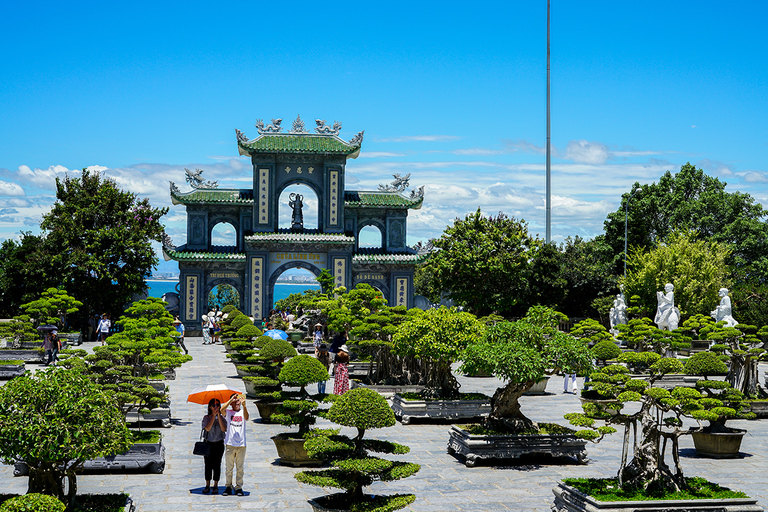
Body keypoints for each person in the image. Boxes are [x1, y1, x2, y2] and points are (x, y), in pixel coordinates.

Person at [221, 393, 249, 496]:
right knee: (229, 467)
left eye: (238, 401)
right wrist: (230, 400)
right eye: (235, 401)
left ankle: (238, 487)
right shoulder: (229, 412)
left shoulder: (242, 412)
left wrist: (244, 405)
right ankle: (228, 486)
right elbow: (221, 410)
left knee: (240, 468)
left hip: (241, 445)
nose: (237, 402)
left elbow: (247, 417)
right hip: (230, 444)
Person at [201, 398, 227, 494]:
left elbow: (224, 429)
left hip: (219, 444)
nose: (215, 407)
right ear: (210, 407)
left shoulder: (223, 418)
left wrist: (219, 416)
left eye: (217, 405)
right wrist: (213, 417)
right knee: (208, 465)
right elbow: (207, 428)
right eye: (213, 405)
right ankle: (207, 484)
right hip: (208, 444)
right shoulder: (206, 418)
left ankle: (215, 485)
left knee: (217, 465)